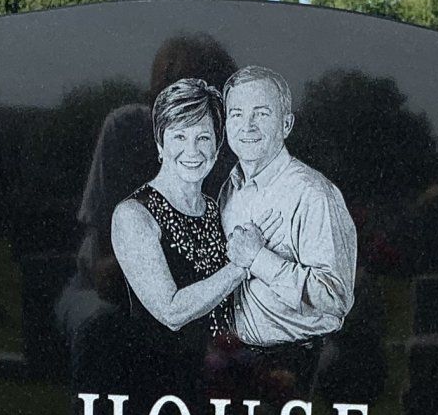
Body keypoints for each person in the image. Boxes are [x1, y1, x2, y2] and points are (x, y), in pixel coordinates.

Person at [218, 68, 358, 347]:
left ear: (286, 124)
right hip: (242, 358)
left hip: (301, 357)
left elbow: (336, 298)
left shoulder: (313, 193)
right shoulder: (229, 190)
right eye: (236, 114)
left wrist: (259, 258)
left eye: (261, 114)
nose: (247, 126)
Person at [108, 77, 250, 335]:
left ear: (217, 147)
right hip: (161, 360)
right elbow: (171, 313)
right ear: (160, 144)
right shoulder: (133, 215)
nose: (192, 151)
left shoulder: (215, 208)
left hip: (225, 356)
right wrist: (241, 266)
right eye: (180, 136)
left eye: (203, 137)